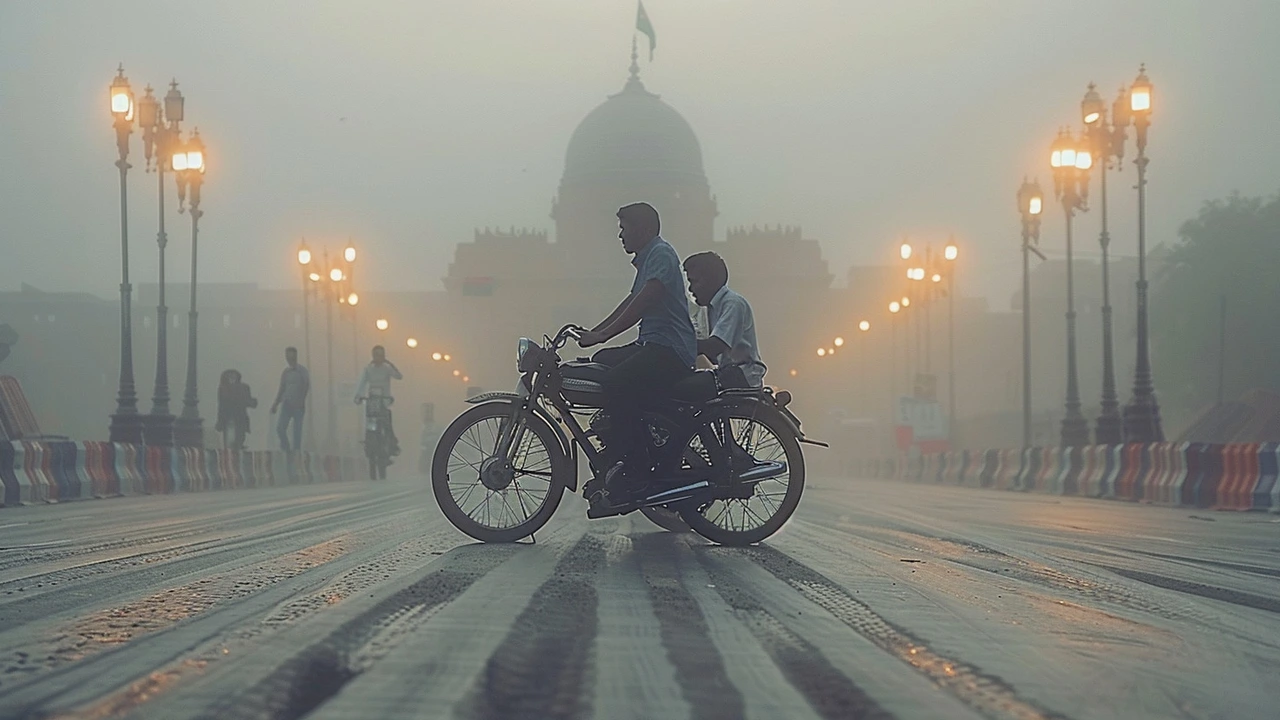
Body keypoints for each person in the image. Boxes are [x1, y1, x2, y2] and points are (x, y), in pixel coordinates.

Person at [576, 202, 697, 517]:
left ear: (643, 228)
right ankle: (631, 439)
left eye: (624, 227)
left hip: (669, 349)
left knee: (617, 381)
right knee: (601, 361)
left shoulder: (662, 255)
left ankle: (634, 462)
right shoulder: (649, 260)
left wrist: (603, 334)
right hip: (654, 346)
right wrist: (597, 334)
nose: (620, 235)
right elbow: (631, 300)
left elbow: (644, 301)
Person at [683, 251, 767, 388]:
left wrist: (677, 344)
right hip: (726, 373)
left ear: (711, 281)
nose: (690, 289)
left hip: (742, 375)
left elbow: (715, 346)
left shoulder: (733, 304)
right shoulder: (708, 309)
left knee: (685, 389)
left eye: (694, 282)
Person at [354, 344, 403, 455]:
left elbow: (399, 376)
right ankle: (368, 441)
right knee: (369, 422)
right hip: (372, 402)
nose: (378, 357)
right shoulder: (368, 369)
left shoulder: (387, 368)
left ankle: (392, 443)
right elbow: (361, 383)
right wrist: (358, 396)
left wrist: (391, 364)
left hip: (384, 402)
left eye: (380, 355)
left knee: (387, 422)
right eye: (376, 355)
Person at [270, 347, 310, 452]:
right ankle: (286, 449)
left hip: (298, 406)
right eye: (287, 355)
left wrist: (301, 401)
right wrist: (275, 403)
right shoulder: (286, 372)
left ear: (295, 356)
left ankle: (296, 453)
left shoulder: (302, 371)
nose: (289, 358)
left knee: (297, 432)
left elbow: (306, 386)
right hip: (286, 404)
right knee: (280, 429)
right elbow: (282, 389)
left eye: (291, 355)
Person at [215, 369, 258, 450]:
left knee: (240, 438)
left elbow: (247, 401)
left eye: (233, 376)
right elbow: (221, 405)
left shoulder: (244, 387)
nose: (232, 378)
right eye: (229, 376)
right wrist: (219, 420)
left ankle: (237, 451)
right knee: (228, 441)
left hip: (240, 417)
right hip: (227, 418)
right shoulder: (222, 389)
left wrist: (252, 402)